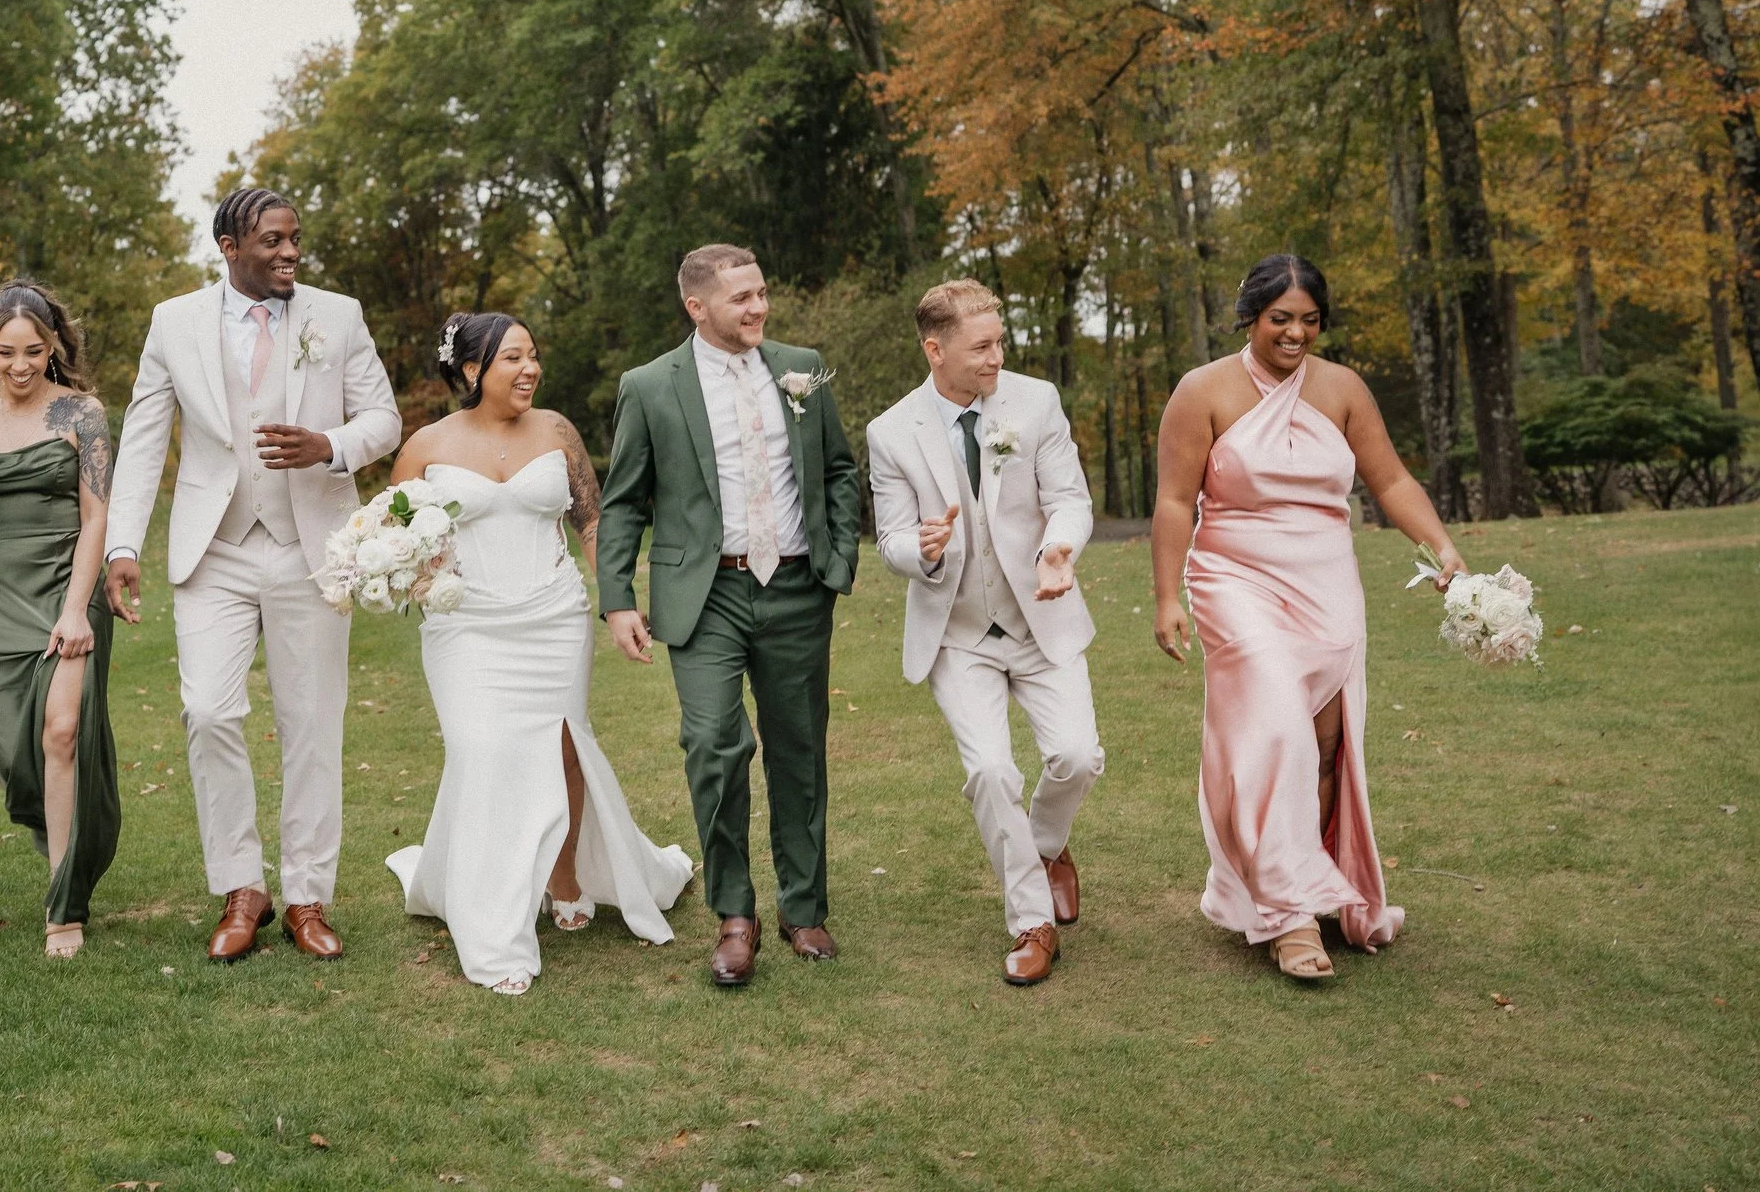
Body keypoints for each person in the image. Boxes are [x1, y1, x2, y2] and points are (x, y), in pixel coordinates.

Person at [102, 188, 401, 962]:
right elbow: (144, 438)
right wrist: (122, 543)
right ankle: (242, 886)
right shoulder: (174, 322)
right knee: (208, 711)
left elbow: (384, 419)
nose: (290, 252)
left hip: (312, 546)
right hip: (216, 548)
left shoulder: (338, 315)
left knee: (313, 723)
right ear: (230, 247)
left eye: (295, 238)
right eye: (272, 240)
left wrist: (329, 446)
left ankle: (307, 895)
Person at [1151, 253, 1466, 982]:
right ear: (1250, 316)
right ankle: (1288, 915)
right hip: (1234, 578)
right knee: (1277, 730)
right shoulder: (1203, 390)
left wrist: (1442, 546)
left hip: (1326, 581)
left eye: (1310, 320)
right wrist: (1166, 597)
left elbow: (1391, 479)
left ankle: (1311, 879)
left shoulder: (1343, 389)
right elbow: (1172, 501)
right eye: (1280, 319)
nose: (1295, 333)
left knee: (1324, 745)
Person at [385, 314, 695, 996]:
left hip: (553, 616)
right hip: (467, 626)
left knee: (564, 748)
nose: (530, 369)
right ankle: (492, 921)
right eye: (513, 358)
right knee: (479, 750)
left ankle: (566, 876)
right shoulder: (426, 446)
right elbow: (392, 535)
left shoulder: (556, 431)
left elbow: (592, 521)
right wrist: (411, 577)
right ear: (473, 370)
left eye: (533, 356)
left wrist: (617, 602)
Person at [597, 244, 863, 988]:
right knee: (714, 744)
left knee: (799, 750)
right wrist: (617, 598)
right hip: (705, 594)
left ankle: (803, 908)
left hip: (797, 588)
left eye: (761, 292)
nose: (758, 307)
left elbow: (839, 468)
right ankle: (736, 915)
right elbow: (624, 499)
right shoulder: (650, 386)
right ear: (698, 307)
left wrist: (838, 559)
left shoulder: (802, 367)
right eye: (741, 298)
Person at [868, 279, 1101, 986]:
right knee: (992, 772)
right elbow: (890, 539)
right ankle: (1032, 920)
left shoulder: (1036, 402)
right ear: (935, 350)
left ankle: (1045, 846)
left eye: (1000, 341)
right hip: (958, 632)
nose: (998, 356)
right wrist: (922, 548)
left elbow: (1069, 497)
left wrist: (1058, 549)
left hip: (1040, 616)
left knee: (1077, 757)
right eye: (982, 347)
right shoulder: (890, 431)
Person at [0, 282, 119, 959]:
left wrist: (76, 608)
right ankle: (65, 831)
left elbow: (97, 515)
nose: (20, 364)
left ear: (53, 344)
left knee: (61, 731)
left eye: (33, 350)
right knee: (17, 756)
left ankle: (64, 908)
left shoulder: (81, 412)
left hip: (67, 583)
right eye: (7, 352)